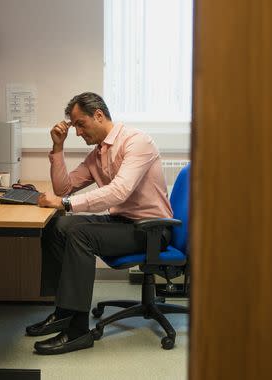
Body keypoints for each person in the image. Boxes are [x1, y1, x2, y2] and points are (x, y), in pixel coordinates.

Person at [27, 92, 173, 355]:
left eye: (80, 124)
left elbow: (119, 192)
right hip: (123, 222)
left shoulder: (137, 142)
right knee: (57, 227)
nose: (78, 132)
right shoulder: (98, 155)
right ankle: (64, 312)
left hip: (152, 229)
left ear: (98, 115)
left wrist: (67, 204)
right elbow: (64, 188)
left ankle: (78, 332)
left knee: (80, 234)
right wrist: (58, 148)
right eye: (75, 127)